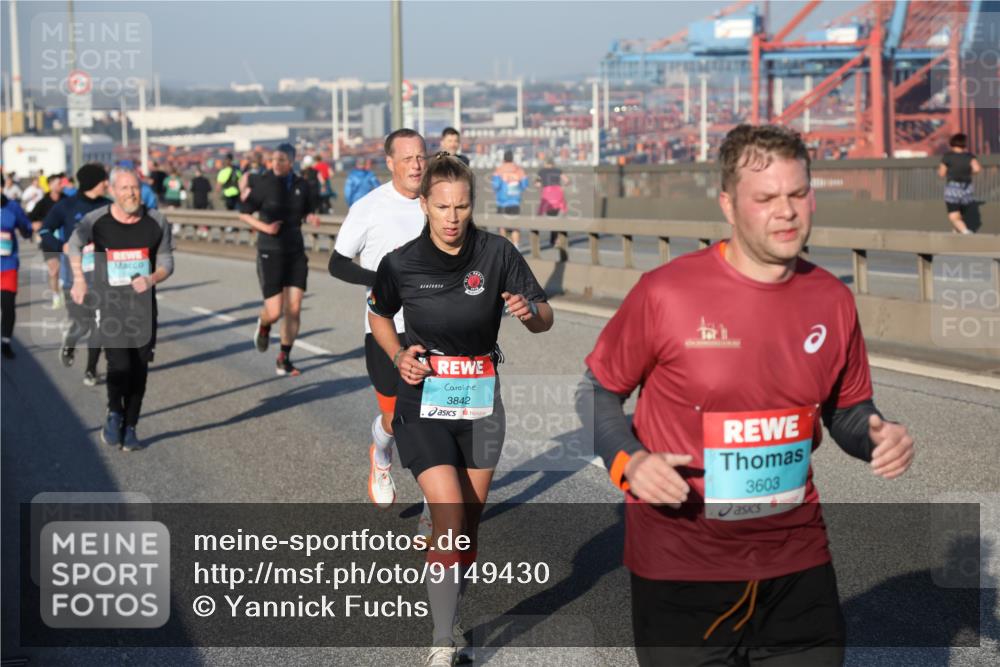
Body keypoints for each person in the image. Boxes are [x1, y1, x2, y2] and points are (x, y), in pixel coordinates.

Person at [577, 124, 915, 666]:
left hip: (797, 563)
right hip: (682, 570)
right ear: (729, 206)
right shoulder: (666, 294)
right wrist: (628, 461)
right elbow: (596, 390)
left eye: (798, 194)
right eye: (766, 198)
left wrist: (876, 434)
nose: (787, 211)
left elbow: (846, 410)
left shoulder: (832, 299)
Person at [368, 153, 553, 666]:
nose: (452, 218)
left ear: (472, 205)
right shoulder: (401, 262)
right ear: (424, 204)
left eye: (463, 207)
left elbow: (545, 317)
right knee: (449, 515)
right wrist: (399, 354)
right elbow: (378, 314)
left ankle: (446, 575)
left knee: (467, 526)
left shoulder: (497, 254)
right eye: (442, 206)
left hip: (480, 400)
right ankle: (442, 640)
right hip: (423, 398)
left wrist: (528, 311)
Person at [329, 129, 426, 510]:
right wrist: (382, 280)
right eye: (407, 158)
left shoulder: (438, 202)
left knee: (431, 422)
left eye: (421, 156)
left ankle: (433, 510)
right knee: (398, 417)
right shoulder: (369, 207)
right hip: (385, 327)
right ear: (390, 163)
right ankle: (381, 455)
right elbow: (337, 264)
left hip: (433, 327)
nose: (417, 165)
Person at [67, 168, 175, 450]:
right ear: (113, 191)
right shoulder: (97, 220)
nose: (131, 193)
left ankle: (131, 427)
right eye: (125, 188)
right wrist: (79, 280)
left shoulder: (157, 221)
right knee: (120, 364)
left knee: (139, 369)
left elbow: (167, 263)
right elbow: (72, 245)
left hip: (143, 309)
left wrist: (151, 278)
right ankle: (114, 412)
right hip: (110, 305)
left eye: (135, 188)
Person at [240, 143, 321, 376]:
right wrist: (265, 227)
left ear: (292, 161)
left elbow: (306, 210)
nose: (276, 163)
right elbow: (243, 213)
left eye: (282, 160)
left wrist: (311, 216)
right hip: (270, 250)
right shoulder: (264, 183)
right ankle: (264, 324)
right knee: (274, 312)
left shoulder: (302, 185)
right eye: (274, 159)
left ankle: (283, 358)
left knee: (294, 308)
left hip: (295, 251)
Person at [43, 163, 113, 385]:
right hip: (74, 277)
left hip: (102, 277)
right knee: (82, 324)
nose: (107, 184)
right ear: (94, 182)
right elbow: (44, 230)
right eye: (104, 180)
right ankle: (70, 343)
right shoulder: (66, 206)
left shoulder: (109, 206)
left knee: (99, 325)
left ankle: (91, 369)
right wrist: (61, 245)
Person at [1, 194, 34, 359]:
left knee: (7, 306)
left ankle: (5, 341)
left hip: (7, 265)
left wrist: (26, 229)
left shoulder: (12, 207)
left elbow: (26, 228)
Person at [29, 173, 68, 310]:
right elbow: (31, 218)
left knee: (69, 270)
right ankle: (56, 295)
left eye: (61, 183)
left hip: (66, 241)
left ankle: (66, 289)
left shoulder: (67, 200)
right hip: (49, 241)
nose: (61, 186)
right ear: (50, 185)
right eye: (58, 183)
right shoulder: (43, 202)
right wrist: (36, 224)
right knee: (53, 270)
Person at [938, 133, 981, 234]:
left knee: (953, 214)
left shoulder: (948, 157)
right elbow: (977, 169)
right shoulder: (969, 156)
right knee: (961, 213)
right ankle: (957, 231)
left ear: (952, 143)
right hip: (967, 188)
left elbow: (941, 173)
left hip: (953, 188)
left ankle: (965, 232)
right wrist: (967, 172)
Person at [491, 149, 528, 247]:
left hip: (502, 202)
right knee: (515, 225)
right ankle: (516, 246)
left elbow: (496, 185)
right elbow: (525, 185)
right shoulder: (519, 170)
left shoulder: (499, 170)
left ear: (504, 159)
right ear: (512, 158)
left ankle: (504, 246)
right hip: (515, 202)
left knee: (502, 225)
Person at [536, 157, 569, 246]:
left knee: (550, 218)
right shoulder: (558, 170)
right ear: (553, 163)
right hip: (558, 193)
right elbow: (567, 180)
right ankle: (559, 239)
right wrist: (563, 187)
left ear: (546, 163)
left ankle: (553, 239)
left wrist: (540, 187)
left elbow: (538, 184)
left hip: (548, 194)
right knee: (559, 217)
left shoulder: (541, 171)